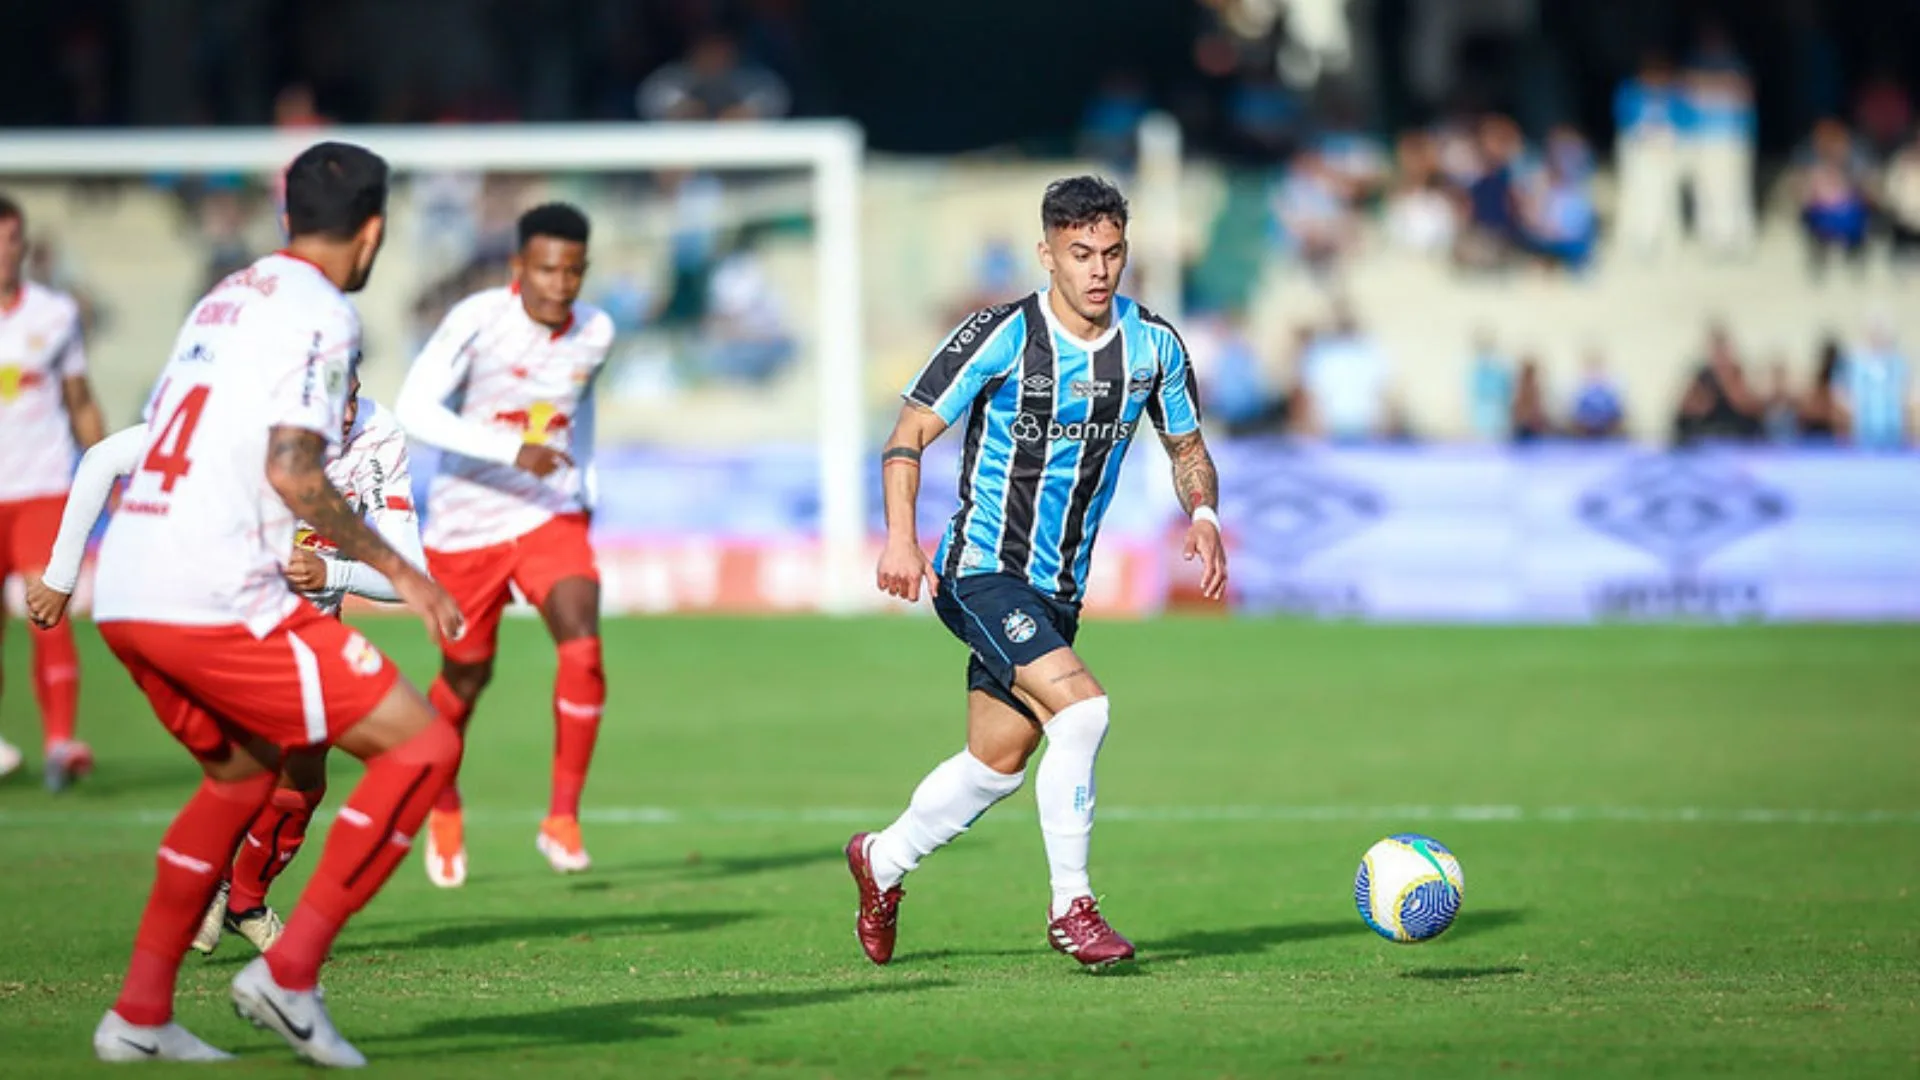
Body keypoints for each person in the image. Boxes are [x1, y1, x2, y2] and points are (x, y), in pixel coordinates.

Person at [24, 141, 464, 1067]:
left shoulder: (227, 297)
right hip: (215, 590)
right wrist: (407, 574)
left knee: (238, 781)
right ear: (374, 229)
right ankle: (287, 974)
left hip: (132, 588)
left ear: (283, 216)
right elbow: (293, 467)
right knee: (423, 745)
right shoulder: (321, 316)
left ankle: (139, 1016)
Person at [847, 177, 1227, 969]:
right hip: (980, 569)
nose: (1099, 270)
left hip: (1058, 590)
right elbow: (910, 430)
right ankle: (1072, 908)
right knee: (1083, 714)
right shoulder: (1000, 335)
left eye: (1112, 253)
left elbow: (1187, 447)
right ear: (1045, 254)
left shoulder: (1153, 345)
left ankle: (880, 862)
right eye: (1080, 253)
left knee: (997, 764)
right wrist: (900, 540)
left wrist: (1204, 514)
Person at [34, 361, 423, 957]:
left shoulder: (377, 436)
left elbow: (409, 576)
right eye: (328, 404)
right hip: (231, 622)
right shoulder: (236, 418)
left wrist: (334, 572)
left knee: (304, 781)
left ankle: (240, 899)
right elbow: (104, 459)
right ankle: (181, 937)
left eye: (351, 399)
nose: (344, 416)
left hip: (313, 627)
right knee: (254, 769)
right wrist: (62, 577)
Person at [394, 203, 615, 887]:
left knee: (582, 639)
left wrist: (587, 477)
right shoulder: (476, 319)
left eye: (573, 270)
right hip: (467, 524)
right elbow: (413, 409)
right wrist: (508, 450)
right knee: (467, 675)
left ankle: (561, 818)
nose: (560, 283)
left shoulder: (597, 330)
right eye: (547, 268)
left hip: (549, 513)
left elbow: (580, 408)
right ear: (519, 267)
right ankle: (445, 799)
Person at [0, 193, 105, 790]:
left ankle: (61, 743)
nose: (4, 253)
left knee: (48, 606)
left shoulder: (55, 314)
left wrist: (110, 477)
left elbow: (81, 402)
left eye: (12, 240)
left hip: (42, 485)